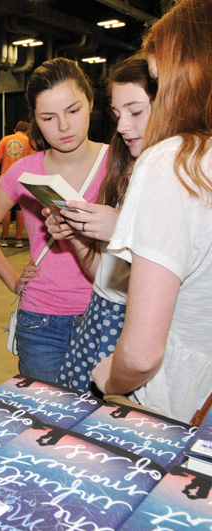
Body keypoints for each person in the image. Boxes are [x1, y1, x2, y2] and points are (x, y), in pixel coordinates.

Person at [92, 0, 212, 423]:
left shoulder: (173, 162)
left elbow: (142, 354)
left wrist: (110, 378)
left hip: (186, 403)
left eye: (157, 87)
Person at [0, 57, 109, 383]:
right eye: (48, 117)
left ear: (91, 104)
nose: (63, 126)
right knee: (45, 422)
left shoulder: (119, 163)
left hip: (104, 315)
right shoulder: (24, 171)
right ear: (34, 119)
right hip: (41, 321)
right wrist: (12, 279)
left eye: (73, 111)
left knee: (98, 423)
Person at [45, 56, 156, 392]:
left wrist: (121, 230)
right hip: (100, 319)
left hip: (138, 329)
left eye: (136, 112)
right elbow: (105, 277)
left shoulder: (182, 180)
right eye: (117, 115)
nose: (121, 127)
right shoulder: (126, 173)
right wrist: (78, 238)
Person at [0, 121, 32, 248]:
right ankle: (18, 240)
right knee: (20, 209)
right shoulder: (29, 141)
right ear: (27, 131)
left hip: (6, 179)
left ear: (15, 130)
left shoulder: (5, 140)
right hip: (22, 180)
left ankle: (4, 238)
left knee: (6, 209)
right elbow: (33, 160)